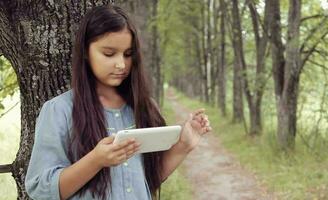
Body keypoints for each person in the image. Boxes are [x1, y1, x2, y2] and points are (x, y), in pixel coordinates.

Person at [25, 4, 211, 200]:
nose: (121, 64)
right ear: (86, 52)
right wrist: (96, 160)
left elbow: (145, 182)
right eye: (109, 54)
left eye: (128, 54)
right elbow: (40, 189)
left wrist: (184, 145)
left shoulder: (143, 107)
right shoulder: (59, 110)